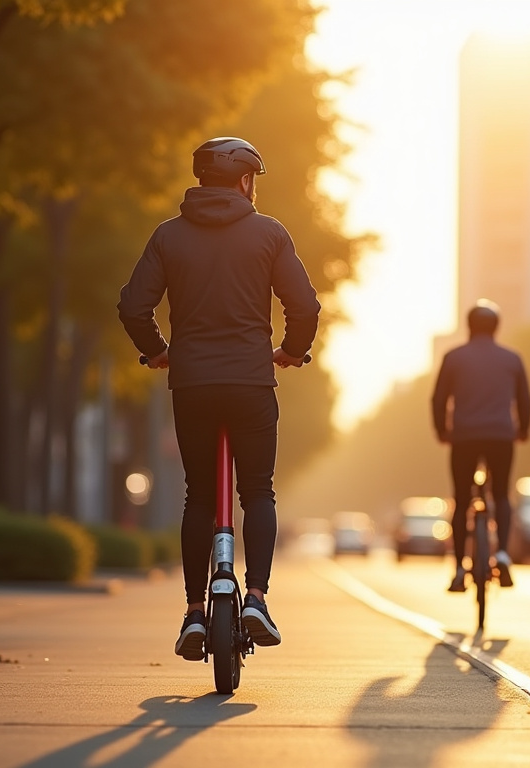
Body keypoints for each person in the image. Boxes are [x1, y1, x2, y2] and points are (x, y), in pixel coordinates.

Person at [117, 136, 320, 661]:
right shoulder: (269, 233)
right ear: (246, 181)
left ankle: (193, 612)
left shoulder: (168, 237)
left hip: (193, 384)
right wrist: (292, 352)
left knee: (200, 497)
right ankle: (255, 597)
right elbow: (304, 306)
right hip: (252, 382)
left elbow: (133, 308)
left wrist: (159, 351)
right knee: (257, 491)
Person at [431, 299, 530, 593]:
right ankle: (501, 554)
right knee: (500, 493)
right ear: (496, 327)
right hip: (502, 437)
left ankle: (460, 568)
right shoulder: (512, 359)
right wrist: (523, 430)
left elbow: (438, 399)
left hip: (463, 437)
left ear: (469, 326)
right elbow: (525, 400)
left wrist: (442, 430)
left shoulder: (453, 358)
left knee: (462, 501)